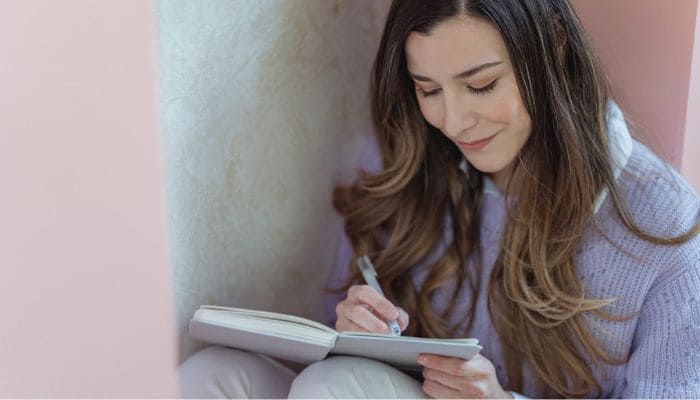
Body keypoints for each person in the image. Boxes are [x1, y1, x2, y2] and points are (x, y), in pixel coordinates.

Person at [177, 0, 700, 398]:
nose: (454, 122)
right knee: (212, 376)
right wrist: (362, 327)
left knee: (337, 388)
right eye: (429, 90)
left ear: (556, 43)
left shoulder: (663, 224)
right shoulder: (416, 164)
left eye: (482, 84)